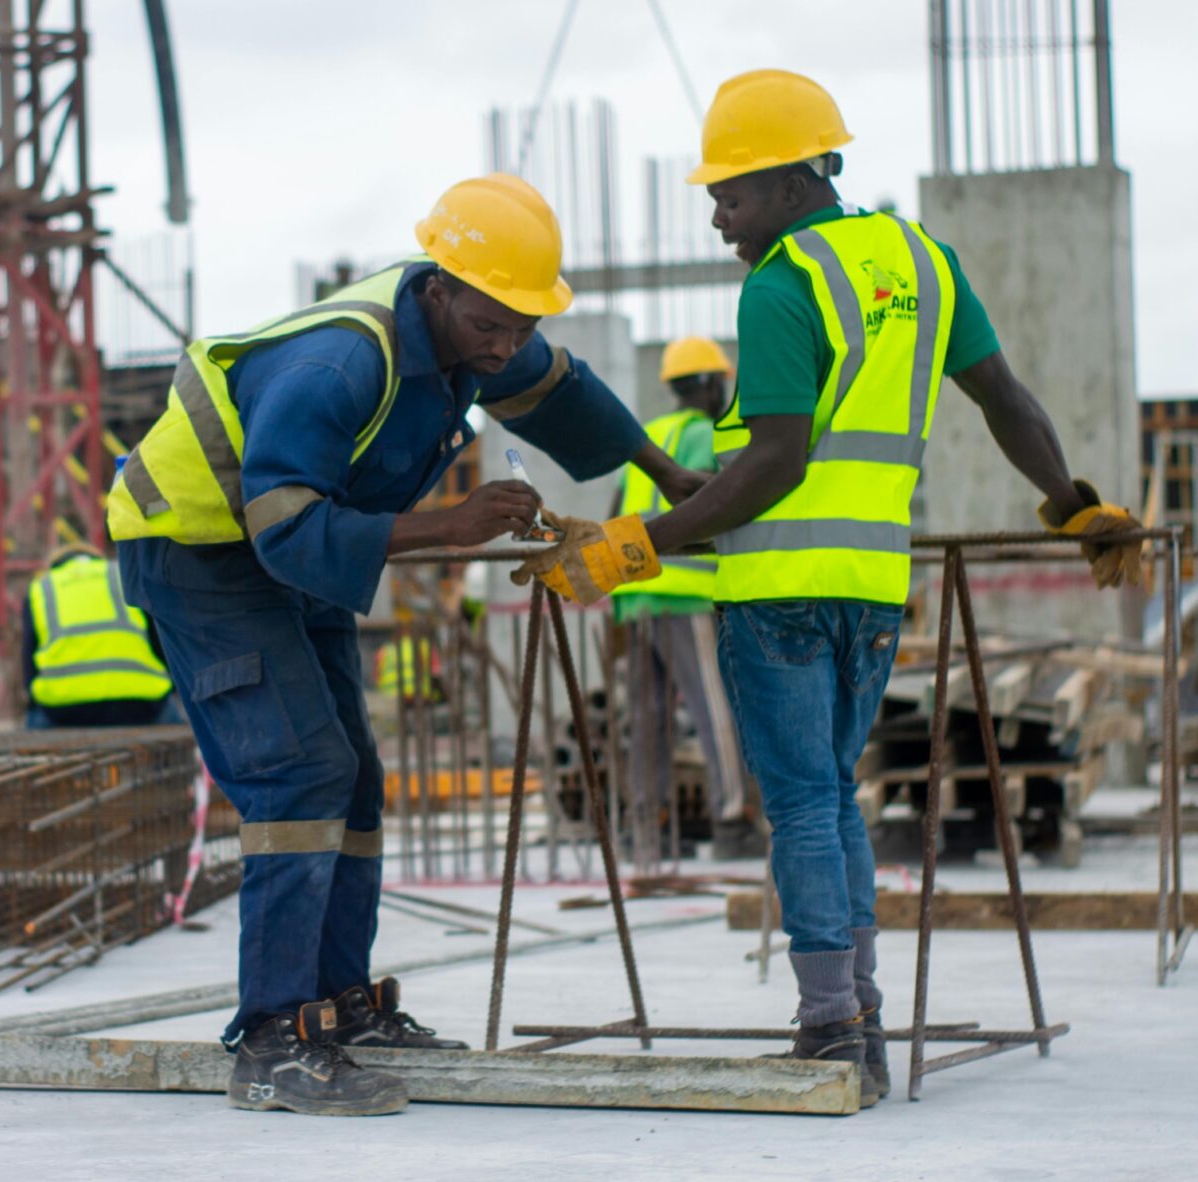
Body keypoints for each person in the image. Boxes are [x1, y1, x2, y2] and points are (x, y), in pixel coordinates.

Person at [514, 69, 1144, 1107]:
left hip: (779, 593)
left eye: (733, 193)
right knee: (835, 798)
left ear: (799, 178)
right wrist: (1072, 502)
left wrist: (635, 547)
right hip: (870, 589)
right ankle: (859, 1012)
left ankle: (831, 1030)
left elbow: (774, 464)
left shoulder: (779, 284)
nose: (719, 216)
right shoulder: (923, 260)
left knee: (803, 803)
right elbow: (1006, 400)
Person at [108, 173, 685, 1117]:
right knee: (300, 772)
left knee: (356, 779)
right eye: (489, 327)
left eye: (517, 328)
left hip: (297, 540)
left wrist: (673, 478)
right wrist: (450, 527)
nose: (503, 349)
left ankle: (339, 1010)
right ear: (438, 290)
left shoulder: (482, 326)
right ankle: (271, 1040)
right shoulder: (341, 365)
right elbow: (284, 527)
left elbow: (563, 396)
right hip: (201, 547)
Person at [610, 338, 752, 856]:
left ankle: (646, 829)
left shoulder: (648, 436)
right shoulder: (704, 434)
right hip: (685, 593)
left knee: (647, 718)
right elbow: (721, 500)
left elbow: (615, 508)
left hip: (636, 596)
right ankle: (732, 823)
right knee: (714, 709)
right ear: (713, 383)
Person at [21, 543, 175, 728]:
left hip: (65, 709)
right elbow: (160, 642)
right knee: (176, 718)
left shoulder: (40, 589)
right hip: (139, 703)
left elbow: (29, 661)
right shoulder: (122, 574)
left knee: (34, 717)